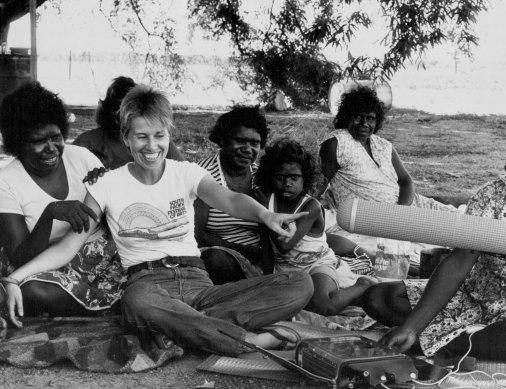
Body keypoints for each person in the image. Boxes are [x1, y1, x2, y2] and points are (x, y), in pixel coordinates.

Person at [2, 85, 313, 357]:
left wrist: (266, 215)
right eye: (141, 137)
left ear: (169, 134)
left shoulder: (186, 173)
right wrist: (16, 278)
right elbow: (69, 246)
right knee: (137, 302)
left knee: (300, 283)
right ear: (125, 138)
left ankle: (180, 325)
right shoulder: (106, 184)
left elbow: (230, 199)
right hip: (146, 282)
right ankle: (249, 340)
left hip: (197, 280)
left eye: (159, 136)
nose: (151, 147)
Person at [362, 112, 506, 363]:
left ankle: (449, 345)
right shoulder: (493, 195)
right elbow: (459, 262)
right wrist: (411, 327)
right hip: (475, 299)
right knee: (379, 298)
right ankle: (482, 340)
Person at [0, 82, 124, 319]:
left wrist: (106, 191)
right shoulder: (6, 182)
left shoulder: (81, 158)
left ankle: (102, 303)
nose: (52, 148)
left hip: (103, 260)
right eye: (38, 141)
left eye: (56, 137)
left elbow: (121, 217)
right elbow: (20, 258)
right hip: (43, 264)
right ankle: (103, 308)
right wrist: (50, 214)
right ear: (18, 142)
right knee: (32, 290)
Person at [254, 138, 377, 316]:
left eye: (294, 177)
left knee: (323, 306)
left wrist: (264, 211)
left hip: (316, 264)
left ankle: (361, 286)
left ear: (306, 178)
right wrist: (267, 278)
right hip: (284, 268)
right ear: (270, 177)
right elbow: (266, 243)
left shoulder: (310, 206)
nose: (287, 183)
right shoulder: (269, 201)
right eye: (281, 177)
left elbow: (285, 244)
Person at [319, 86, 455, 211]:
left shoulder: (383, 145)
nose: (364, 124)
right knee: (459, 231)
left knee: (463, 220)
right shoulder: (336, 143)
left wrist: (401, 212)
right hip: (373, 220)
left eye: (370, 118)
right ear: (346, 117)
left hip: (409, 209)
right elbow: (319, 184)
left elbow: (406, 181)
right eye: (358, 117)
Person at [195, 105, 270, 283]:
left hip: (260, 257)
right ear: (222, 140)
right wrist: (243, 250)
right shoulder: (203, 175)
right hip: (219, 255)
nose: (247, 149)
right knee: (216, 260)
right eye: (240, 140)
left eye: (254, 143)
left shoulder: (261, 177)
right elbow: (196, 235)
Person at [73, 76, 184, 169]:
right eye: (118, 109)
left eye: (129, 110)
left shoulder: (158, 141)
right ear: (108, 109)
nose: (121, 115)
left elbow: (183, 171)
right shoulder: (88, 142)